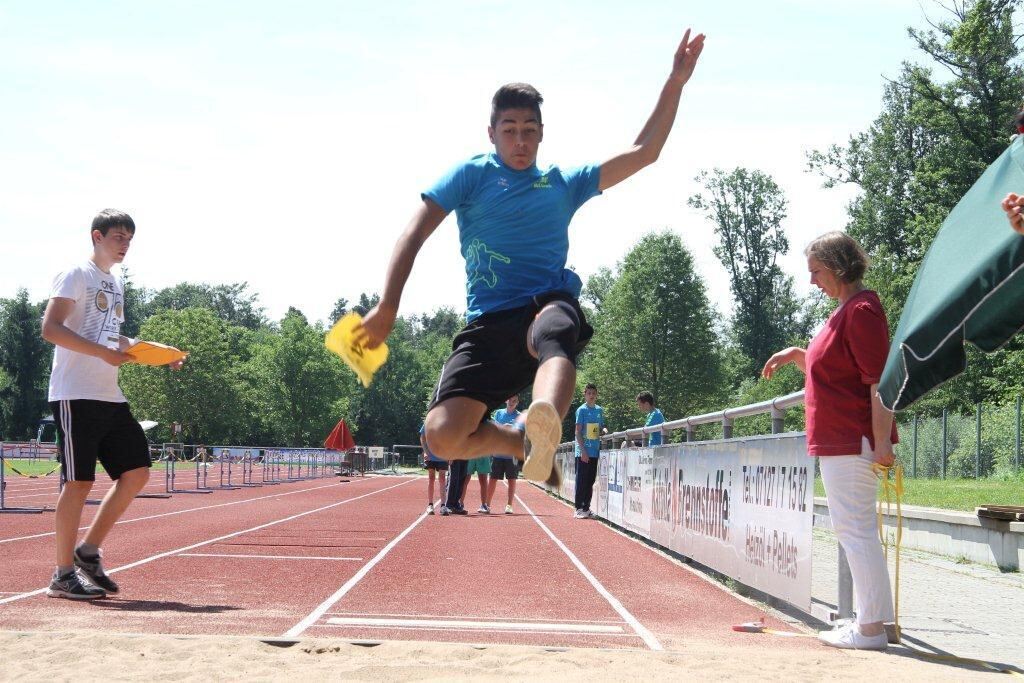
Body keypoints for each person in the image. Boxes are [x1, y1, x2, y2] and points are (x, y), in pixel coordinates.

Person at [355, 30, 705, 486]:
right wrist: (387, 306)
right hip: (487, 325)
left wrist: (675, 83)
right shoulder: (471, 175)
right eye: (509, 131)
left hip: (542, 309)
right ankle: (516, 440)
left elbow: (645, 152)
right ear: (492, 134)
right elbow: (413, 232)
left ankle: (541, 428)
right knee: (440, 437)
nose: (520, 141)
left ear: (541, 134)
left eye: (529, 131)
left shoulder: (563, 183)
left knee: (557, 323)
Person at [762, 231, 898, 650]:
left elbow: (879, 383)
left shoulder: (861, 310)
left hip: (853, 439)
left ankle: (871, 629)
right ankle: (872, 622)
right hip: (841, 439)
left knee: (855, 530)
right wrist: (796, 354)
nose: (811, 281)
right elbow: (834, 371)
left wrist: (881, 441)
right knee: (853, 530)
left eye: (816, 271)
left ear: (839, 267)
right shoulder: (845, 311)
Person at [41, 209, 185, 600]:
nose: (125, 245)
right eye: (119, 237)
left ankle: (87, 552)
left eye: (129, 239)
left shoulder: (114, 283)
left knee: (136, 472)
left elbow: (113, 338)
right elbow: (50, 329)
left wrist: (159, 353)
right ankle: (62, 574)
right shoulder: (76, 274)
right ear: (97, 236)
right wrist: (101, 354)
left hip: (109, 394)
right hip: (75, 393)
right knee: (78, 482)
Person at [574, 383, 606, 519]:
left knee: (590, 481)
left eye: (594, 393)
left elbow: (600, 428)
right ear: (585, 395)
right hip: (583, 451)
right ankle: (578, 508)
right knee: (581, 480)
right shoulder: (581, 410)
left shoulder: (599, 410)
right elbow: (577, 432)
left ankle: (586, 508)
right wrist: (583, 451)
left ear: (596, 395)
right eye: (589, 393)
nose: (591, 395)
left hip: (594, 450)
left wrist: (604, 430)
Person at [487, 396, 522, 514]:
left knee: (512, 480)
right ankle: (487, 504)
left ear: (517, 402)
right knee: (493, 479)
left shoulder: (519, 416)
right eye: (510, 400)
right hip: (498, 452)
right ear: (506, 400)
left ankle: (509, 505)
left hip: (512, 454)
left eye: (514, 401)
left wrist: (511, 428)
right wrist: (503, 427)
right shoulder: (498, 413)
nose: (512, 402)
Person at [420, 424, 447, 514]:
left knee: (442, 479)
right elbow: (422, 437)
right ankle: (430, 505)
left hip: (443, 455)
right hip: (430, 455)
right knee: (431, 479)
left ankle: (443, 506)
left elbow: (451, 439)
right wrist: (425, 452)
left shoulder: (447, 421)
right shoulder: (428, 421)